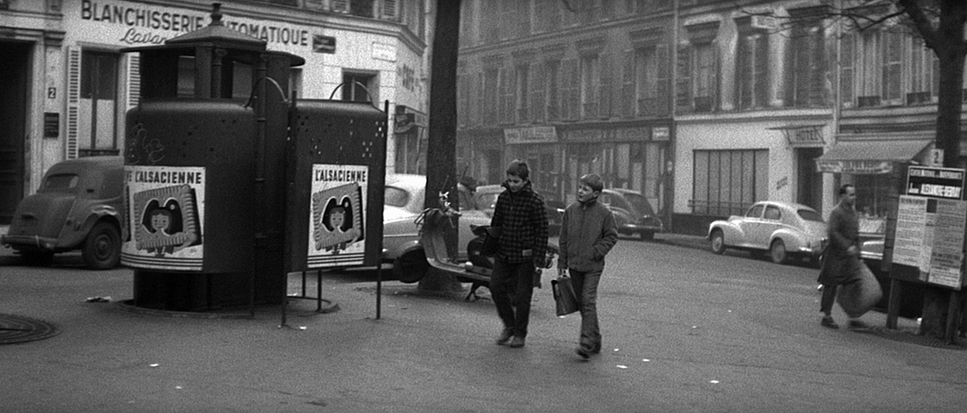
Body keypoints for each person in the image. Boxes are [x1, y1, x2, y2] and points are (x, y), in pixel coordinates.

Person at [557, 173, 618, 359]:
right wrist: (562, 263)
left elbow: (612, 236)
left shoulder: (604, 213)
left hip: (593, 266)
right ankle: (596, 338)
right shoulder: (571, 210)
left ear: (596, 194)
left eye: (586, 189)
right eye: (580, 187)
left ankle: (586, 342)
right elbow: (563, 238)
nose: (581, 191)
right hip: (575, 265)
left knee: (588, 300)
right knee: (583, 304)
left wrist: (596, 252)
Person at [490, 160, 549, 348]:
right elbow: (496, 224)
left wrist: (538, 258)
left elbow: (542, 230)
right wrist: (491, 244)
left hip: (525, 255)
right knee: (495, 286)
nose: (513, 185)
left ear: (525, 181)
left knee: (523, 295)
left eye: (516, 181)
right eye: (510, 181)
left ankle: (520, 333)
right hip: (504, 251)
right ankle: (509, 325)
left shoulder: (535, 201)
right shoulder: (503, 198)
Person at [818, 183, 866, 329]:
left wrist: (858, 252)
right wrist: (847, 246)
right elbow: (833, 232)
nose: (854, 197)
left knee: (855, 282)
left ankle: (853, 316)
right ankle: (826, 316)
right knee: (831, 285)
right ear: (842, 196)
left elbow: (855, 234)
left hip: (850, 257)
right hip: (835, 255)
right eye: (851, 195)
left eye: (854, 194)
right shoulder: (836, 212)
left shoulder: (853, 212)